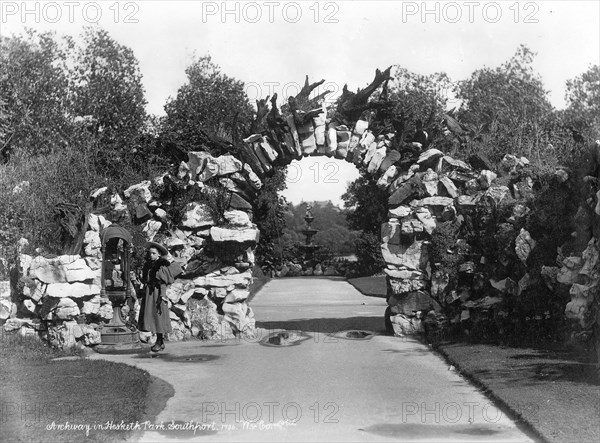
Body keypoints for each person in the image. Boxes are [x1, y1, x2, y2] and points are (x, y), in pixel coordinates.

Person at [138, 241, 181, 352]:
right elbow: (146, 279)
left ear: (158, 254)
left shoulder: (161, 265)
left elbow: (163, 281)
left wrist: (162, 295)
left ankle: (159, 341)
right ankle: (159, 341)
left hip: (158, 292)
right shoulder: (148, 265)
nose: (151, 255)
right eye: (150, 253)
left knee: (158, 315)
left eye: (153, 253)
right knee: (152, 315)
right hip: (149, 292)